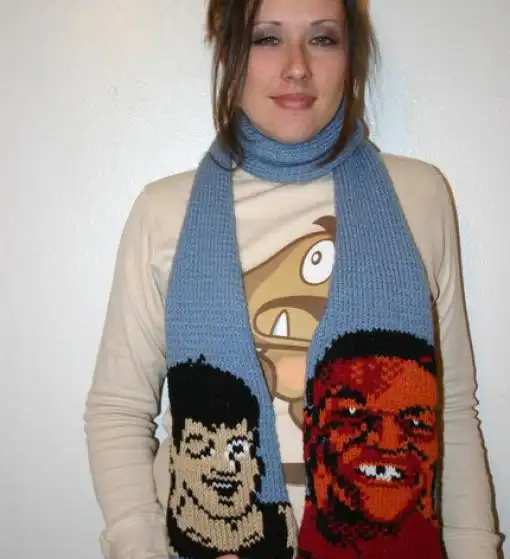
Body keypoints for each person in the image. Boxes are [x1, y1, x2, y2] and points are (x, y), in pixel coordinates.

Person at [84, 0, 499, 558]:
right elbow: (118, 410)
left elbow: (450, 411)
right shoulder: (164, 212)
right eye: (267, 39)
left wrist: (475, 548)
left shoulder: (419, 198)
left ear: (350, 55)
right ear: (229, 53)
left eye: (322, 39)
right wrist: (141, 548)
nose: (297, 66)